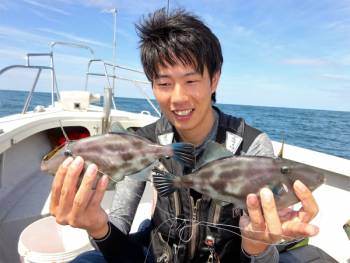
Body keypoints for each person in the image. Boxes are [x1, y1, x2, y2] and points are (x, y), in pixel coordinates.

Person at [50, 8, 328, 263]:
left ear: (214, 79)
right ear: (153, 86)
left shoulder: (250, 145)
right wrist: (96, 226)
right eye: (164, 83)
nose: (178, 98)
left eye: (191, 81)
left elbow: (261, 253)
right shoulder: (141, 144)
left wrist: (257, 246)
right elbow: (119, 229)